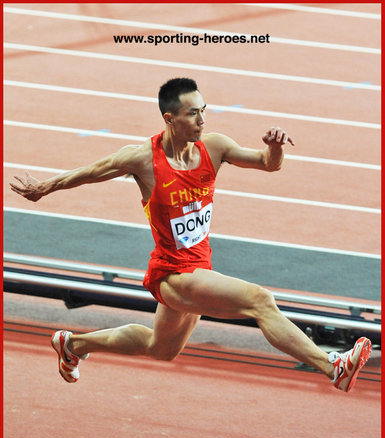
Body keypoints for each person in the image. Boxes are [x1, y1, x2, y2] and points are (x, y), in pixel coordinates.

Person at [10, 77, 371, 392]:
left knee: (160, 348)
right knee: (260, 300)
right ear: (170, 119)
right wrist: (45, 187)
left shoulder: (214, 147)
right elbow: (92, 171)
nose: (202, 119)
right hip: (173, 274)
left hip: (198, 267)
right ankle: (332, 367)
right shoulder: (142, 159)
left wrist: (275, 146)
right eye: (193, 113)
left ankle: (73, 344)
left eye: (204, 110)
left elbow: (266, 163)